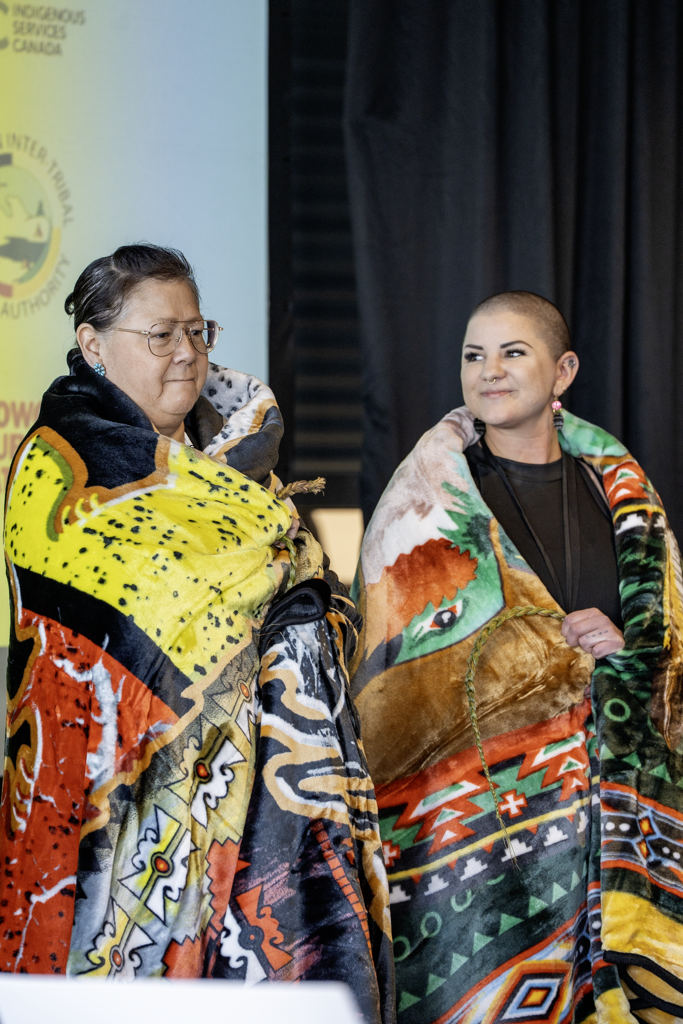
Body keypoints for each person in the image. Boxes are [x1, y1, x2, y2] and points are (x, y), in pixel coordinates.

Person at [1, 243, 394, 1021]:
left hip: (274, 792)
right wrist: (281, 581)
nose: (186, 352)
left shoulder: (239, 464)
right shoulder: (62, 463)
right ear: (92, 345)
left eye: (197, 331)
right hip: (121, 802)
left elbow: (306, 585)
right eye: (160, 335)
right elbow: (150, 610)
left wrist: (297, 594)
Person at [351, 291, 683, 1024]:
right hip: (473, 839)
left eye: (512, 352)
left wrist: (625, 654)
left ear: (563, 371)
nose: (489, 370)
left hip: (611, 829)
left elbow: (668, 656)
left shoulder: (624, 499)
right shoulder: (422, 509)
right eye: (473, 355)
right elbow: (394, 684)